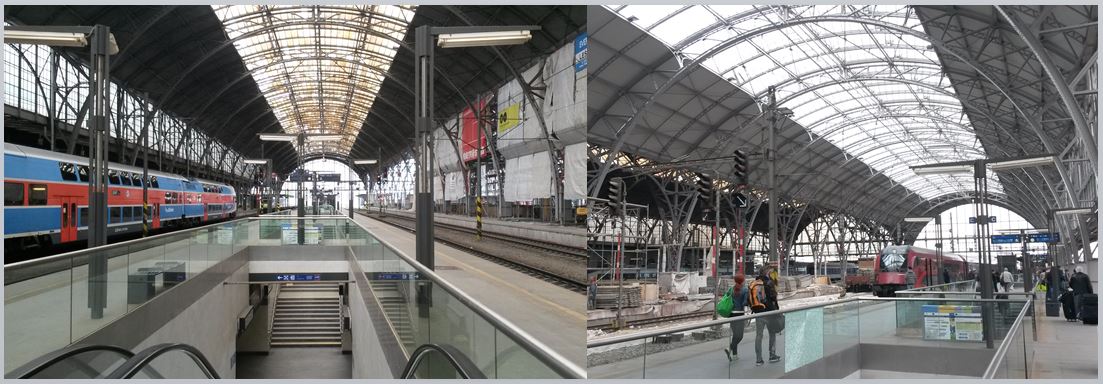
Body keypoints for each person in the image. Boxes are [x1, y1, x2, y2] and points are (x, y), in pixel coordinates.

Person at [749, 266, 781, 366]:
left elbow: (749, 300)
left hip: (758, 312)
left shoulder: (754, 283)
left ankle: (759, 360)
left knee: (759, 336)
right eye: (769, 272)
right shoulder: (769, 282)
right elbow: (774, 297)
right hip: (769, 313)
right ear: (767, 273)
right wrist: (777, 310)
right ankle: (772, 355)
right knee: (772, 333)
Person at [723, 275, 749, 362]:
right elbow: (745, 303)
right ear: (742, 281)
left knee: (735, 335)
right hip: (739, 314)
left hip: (731, 314)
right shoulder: (745, 290)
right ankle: (729, 348)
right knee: (740, 336)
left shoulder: (731, 289)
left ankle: (735, 355)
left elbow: (726, 297)